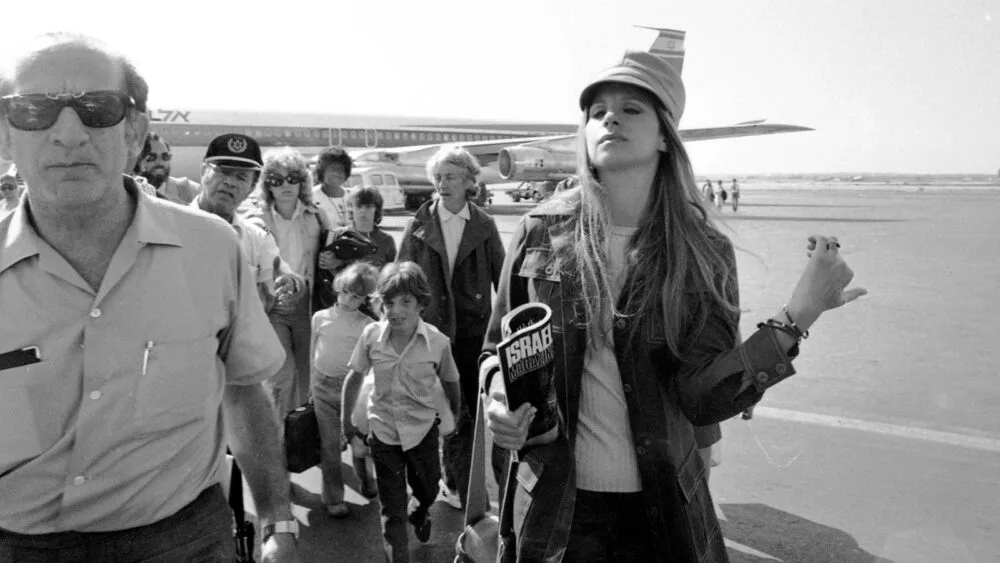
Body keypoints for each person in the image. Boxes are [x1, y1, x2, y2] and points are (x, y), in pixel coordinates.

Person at [479, 50, 867, 562]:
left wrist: (798, 317)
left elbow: (705, 397)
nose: (609, 118)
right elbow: (494, 351)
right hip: (555, 511)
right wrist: (498, 397)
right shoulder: (538, 234)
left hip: (659, 513)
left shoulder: (701, 249)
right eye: (596, 112)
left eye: (631, 109)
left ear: (665, 136)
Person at [0, 34, 300, 561]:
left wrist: (279, 522)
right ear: (5, 137)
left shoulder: (212, 248)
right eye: (33, 112)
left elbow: (245, 389)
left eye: (97, 109)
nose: (68, 135)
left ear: (135, 131)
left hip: (183, 540)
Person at [397, 145, 505, 510]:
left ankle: (459, 483)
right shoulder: (419, 224)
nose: (442, 184)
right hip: (430, 332)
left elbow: (502, 283)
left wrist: (506, 331)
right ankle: (435, 480)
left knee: (464, 412)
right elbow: (400, 277)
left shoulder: (485, 225)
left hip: (472, 334)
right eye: (438, 177)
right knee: (428, 407)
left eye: (451, 177)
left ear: (468, 182)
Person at [340, 262, 461, 563]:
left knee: (429, 489)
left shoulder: (437, 342)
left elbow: (450, 380)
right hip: (383, 436)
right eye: (388, 302)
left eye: (405, 301)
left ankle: (420, 513)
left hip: (422, 433)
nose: (395, 310)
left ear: (421, 303)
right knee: (391, 513)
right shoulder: (371, 336)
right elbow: (353, 379)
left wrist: (454, 416)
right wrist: (347, 425)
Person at [242, 147, 330, 413]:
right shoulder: (253, 220)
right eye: (276, 180)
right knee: (282, 375)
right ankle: (278, 439)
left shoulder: (317, 215)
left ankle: (298, 439)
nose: (285, 185)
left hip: (308, 304)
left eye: (292, 177)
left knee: (306, 376)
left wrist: (334, 262)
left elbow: (328, 257)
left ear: (302, 180)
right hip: (272, 306)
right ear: (267, 184)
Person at [191, 134, 306, 314]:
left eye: (241, 177)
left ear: (252, 187)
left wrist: (291, 284)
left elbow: (284, 275)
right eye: (223, 171)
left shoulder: (257, 239)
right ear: (203, 171)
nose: (229, 182)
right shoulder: (170, 227)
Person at [310, 262, 380, 518]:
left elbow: (369, 363)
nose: (350, 299)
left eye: (358, 296)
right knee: (329, 446)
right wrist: (310, 385)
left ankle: (366, 478)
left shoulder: (366, 324)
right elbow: (312, 353)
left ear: (365, 298)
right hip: (322, 387)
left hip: (353, 391)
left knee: (358, 442)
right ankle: (333, 498)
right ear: (338, 288)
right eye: (347, 292)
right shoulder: (320, 317)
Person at [316, 185, 398, 313]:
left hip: (373, 308)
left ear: (376, 210)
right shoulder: (337, 235)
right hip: (341, 306)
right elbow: (324, 272)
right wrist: (333, 264)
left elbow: (389, 278)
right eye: (358, 206)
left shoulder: (386, 241)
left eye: (368, 207)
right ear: (351, 209)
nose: (362, 211)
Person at [134, 131, 200, 204]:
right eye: (151, 157)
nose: (160, 162)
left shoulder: (190, 191)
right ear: (136, 160)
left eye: (165, 156)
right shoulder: (126, 193)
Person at [312, 145, 353, 232]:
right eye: (333, 168)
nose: (337, 173)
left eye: (341, 169)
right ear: (322, 170)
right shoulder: (311, 197)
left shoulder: (353, 196)